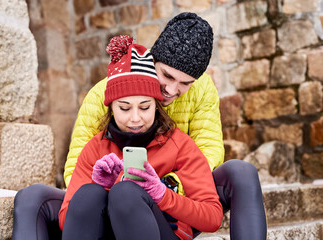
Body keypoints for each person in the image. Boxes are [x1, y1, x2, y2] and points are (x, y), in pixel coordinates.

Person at [12, 12, 267, 240]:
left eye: (185, 83)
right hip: (108, 199)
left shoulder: (195, 106)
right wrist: (106, 186)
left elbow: (208, 150)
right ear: (153, 60)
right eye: (166, 76)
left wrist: (166, 186)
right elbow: (78, 164)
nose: (171, 89)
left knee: (241, 172)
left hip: (175, 201)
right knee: (34, 198)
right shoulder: (104, 94)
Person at [58, 38, 223, 240]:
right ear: (111, 107)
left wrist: (162, 194)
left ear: (156, 105)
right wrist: (102, 187)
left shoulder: (179, 144)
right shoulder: (95, 148)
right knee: (89, 193)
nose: (135, 118)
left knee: (126, 192)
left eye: (145, 107)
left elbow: (213, 218)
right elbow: (66, 221)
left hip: (163, 232)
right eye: (125, 108)